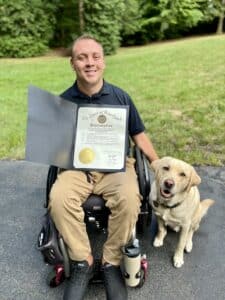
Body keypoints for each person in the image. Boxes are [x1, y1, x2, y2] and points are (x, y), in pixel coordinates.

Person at [48, 34, 159, 300]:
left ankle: (111, 262)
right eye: (82, 57)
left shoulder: (121, 97)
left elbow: (139, 135)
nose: (90, 62)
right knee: (58, 197)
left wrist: (157, 163)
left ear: (103, 62)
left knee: (131, 199)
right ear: (72, 64)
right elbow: (56, 146)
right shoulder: (63, 101)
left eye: (95, 57)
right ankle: (82, 260)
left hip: (116, 167)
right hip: (78, 168)